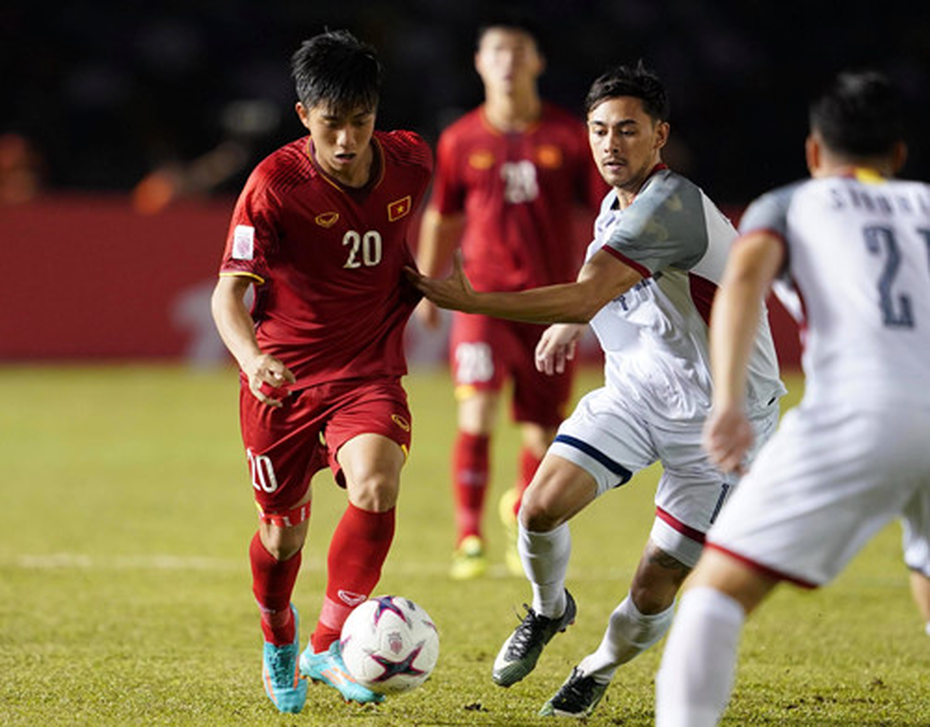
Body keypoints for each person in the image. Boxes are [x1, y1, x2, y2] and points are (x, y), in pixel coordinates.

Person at [407, 62, 785, 718]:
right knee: (537, 507)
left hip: (721, 421)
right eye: (600, 130)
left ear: (660, 136)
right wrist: (566, 322)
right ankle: (550, 608)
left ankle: (597, 666)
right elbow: (597, 281)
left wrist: (479, 301)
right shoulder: (618, 202)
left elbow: (589, 290)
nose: (611, 144)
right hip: (638, 395)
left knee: (656, 576)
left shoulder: (673, 205)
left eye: (629, 131)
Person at [654, 70, 930, 726]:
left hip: (861, 411)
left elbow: (745, 277)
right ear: (897, 156)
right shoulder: (925, 202)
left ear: (813, 152)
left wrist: (726, 400)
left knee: (713, 598)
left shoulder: (792, 204)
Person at [210, 30, 432, 714]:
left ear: (376, 113)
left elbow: (397, 235)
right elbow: (228, 294)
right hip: (282, 382)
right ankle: (280, 636)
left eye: (359, 123)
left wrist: (422, 282)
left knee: (375, 480)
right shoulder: (274, 186)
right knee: (283, 535)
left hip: (367, 372)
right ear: (304, 115)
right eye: (331, 125)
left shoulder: (410, 161)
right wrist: (252, 359)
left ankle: (329, 643)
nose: (346, 141)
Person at [416, 12, 605, 580]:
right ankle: (468, 536)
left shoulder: (569, 136)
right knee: (476, 411)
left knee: (543, 430)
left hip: (550, 303)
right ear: (480, 63)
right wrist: (429, 287)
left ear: (538, 62)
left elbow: (603, 212)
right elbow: (442, 216)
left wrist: (594, 286)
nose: (508, 61)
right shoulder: (460, 139)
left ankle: (519, 510)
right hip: (482, 301)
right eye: (497, 51)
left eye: (519, 50)